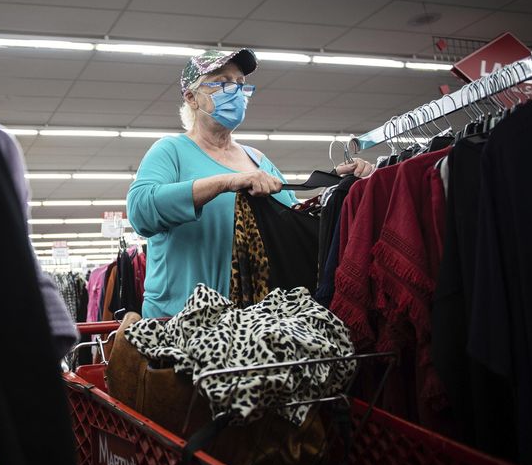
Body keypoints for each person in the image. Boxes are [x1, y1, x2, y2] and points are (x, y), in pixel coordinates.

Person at [127, 49, 373, 318]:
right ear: (191, 97)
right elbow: (141, 211)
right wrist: (227, 181)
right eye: (223, 82)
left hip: (249, 324)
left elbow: (290, 220)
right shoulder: (170, 150)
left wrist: (334, 185)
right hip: (181, 321)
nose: (235, 91)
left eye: (241, 85)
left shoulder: (257, 160)